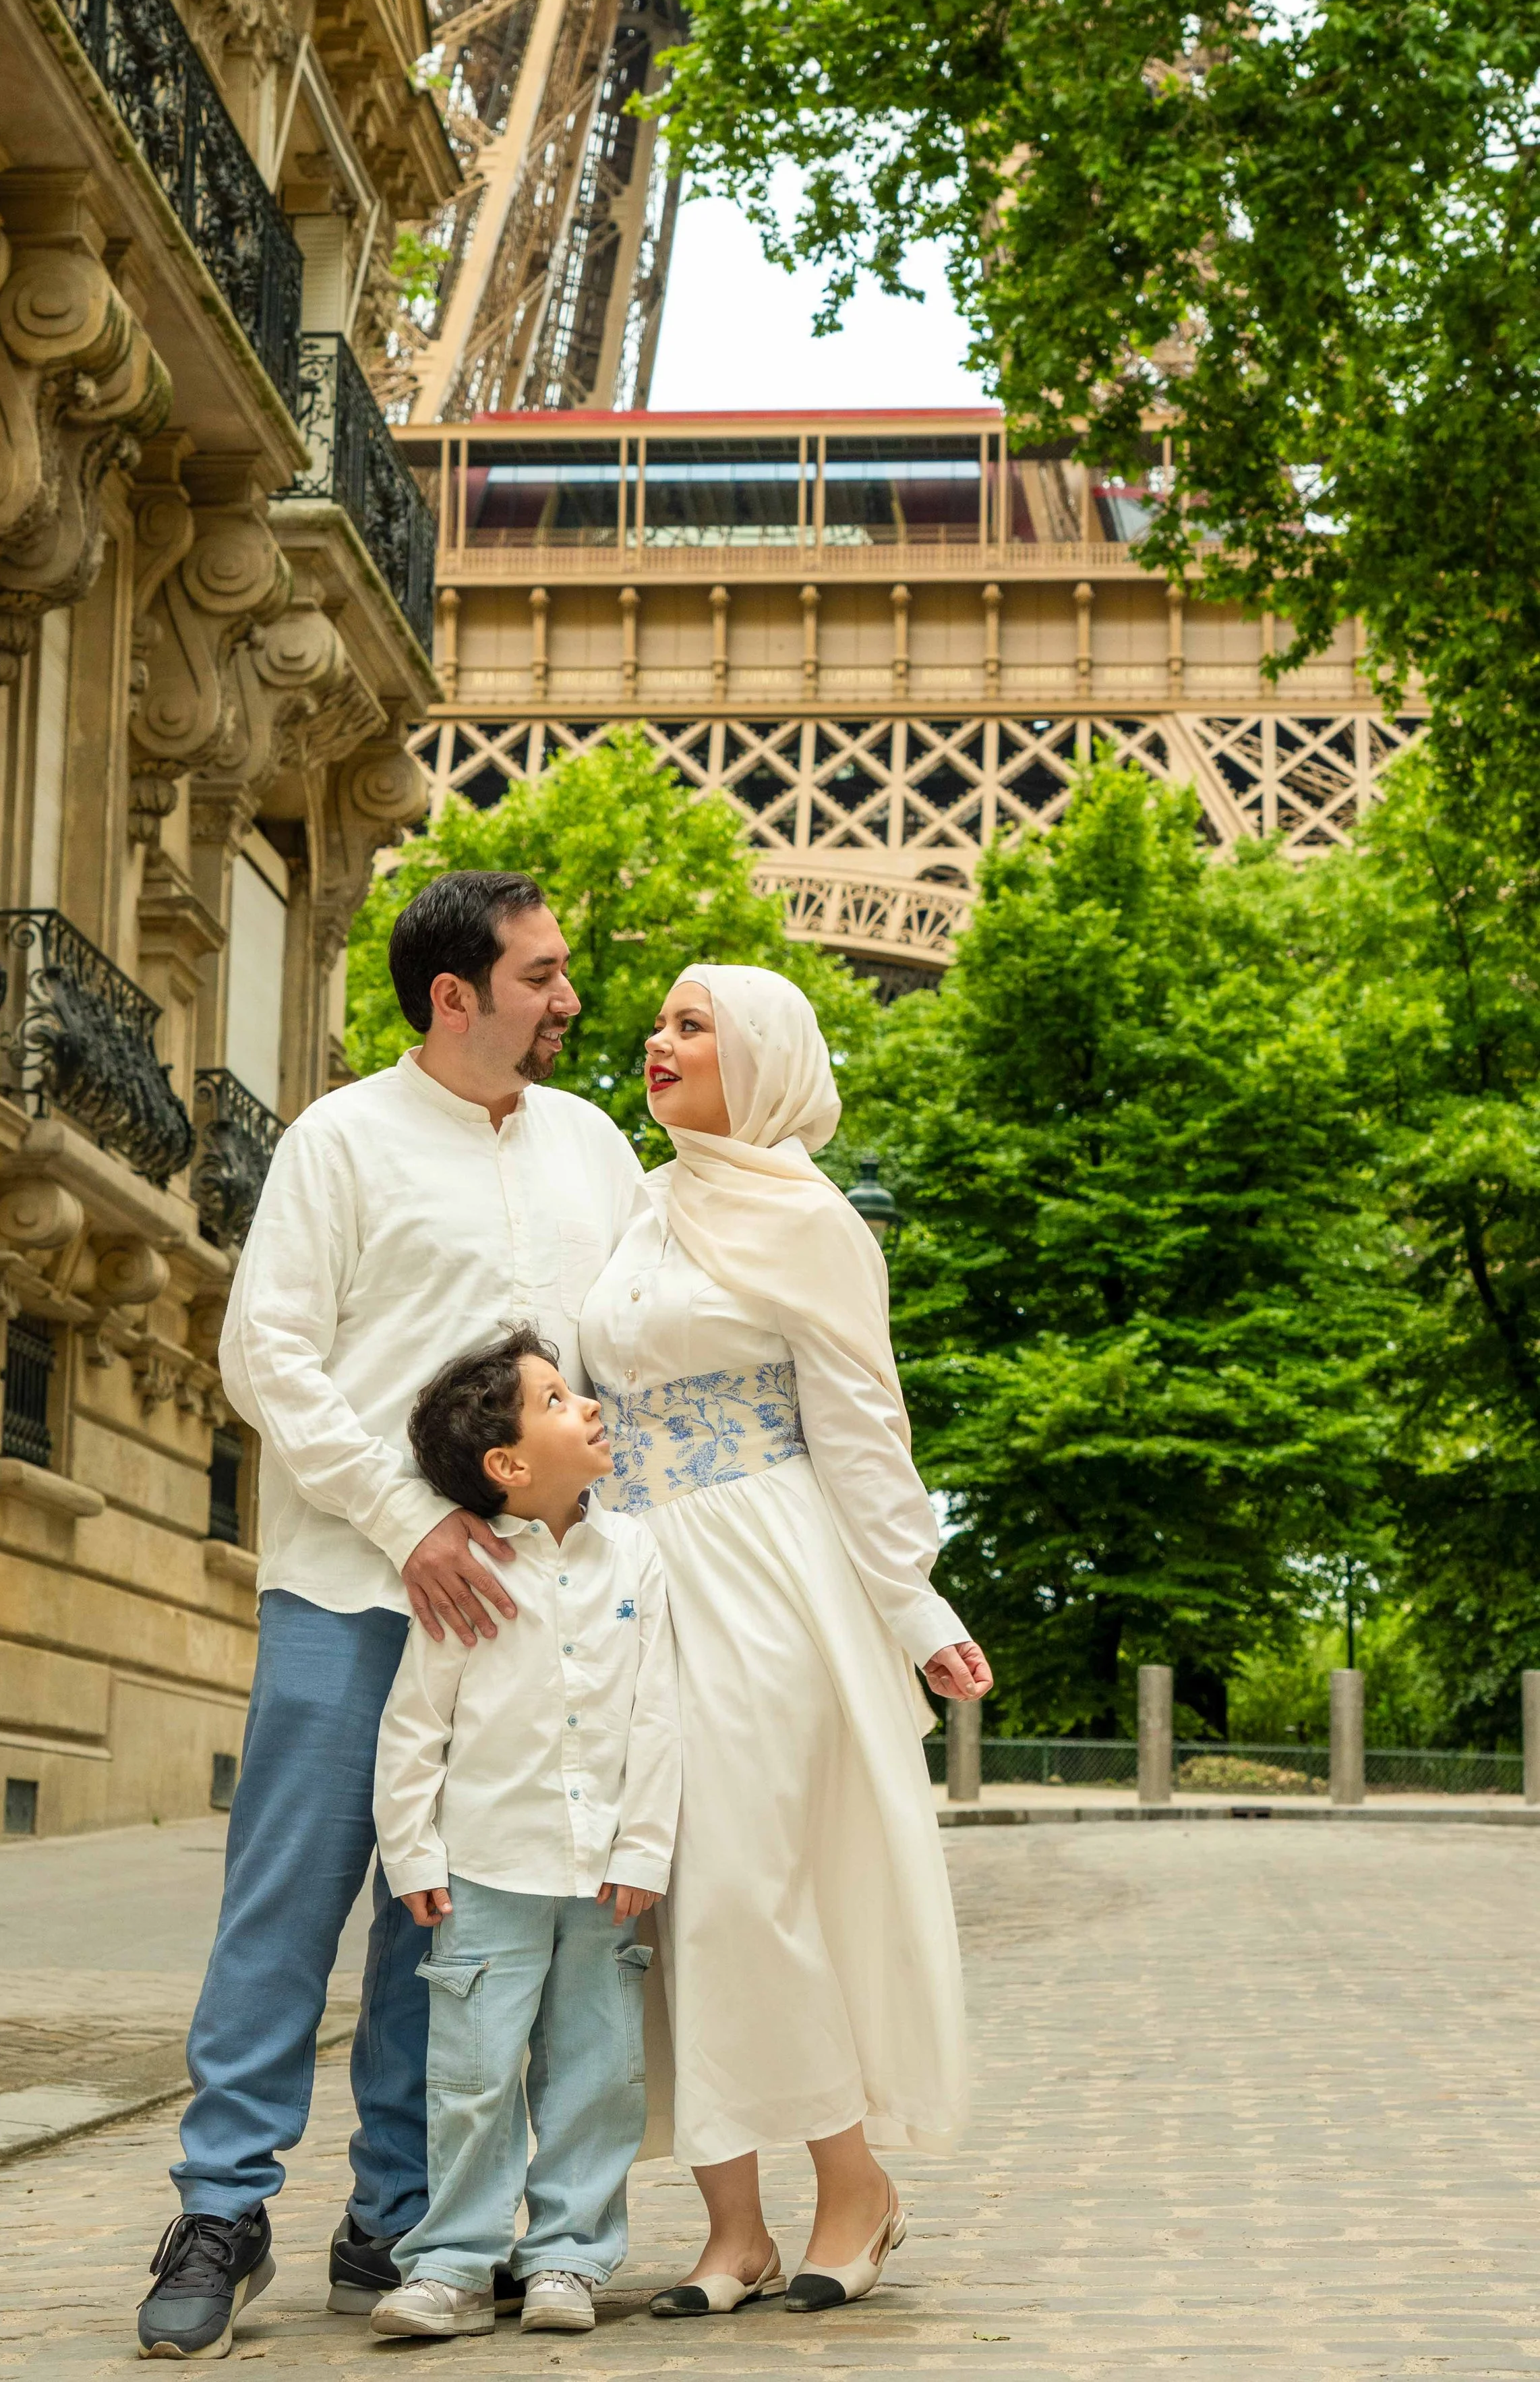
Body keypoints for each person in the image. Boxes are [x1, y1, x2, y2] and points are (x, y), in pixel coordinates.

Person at [136, 873, 647, 2361]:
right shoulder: (341, 1139)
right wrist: (408, 1518)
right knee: (286, 1908)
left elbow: (622, 1369)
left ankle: (404, 2217)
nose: (566, 997)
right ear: (457, 997)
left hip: (518, 1614)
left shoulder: (596, 1150)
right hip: (351, 1588)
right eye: (542, 975)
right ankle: (222, 2209)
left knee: (452, 1925)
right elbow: (266, 1355)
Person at [579, 963, 993, 2318]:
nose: (659, 1040)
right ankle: (732, 2227)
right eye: (659, 1021)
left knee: (753, 1877)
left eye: (692, 1026)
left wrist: (913, 1605)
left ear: (761, 1059)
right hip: (635, 1575)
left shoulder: (812, 1222)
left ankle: (853, 2185)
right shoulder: (639, 1209)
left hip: (762, 1568)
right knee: (669, 1886)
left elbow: (863, 1426)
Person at [368, 1327, 680, 2343]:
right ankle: (454, 2260)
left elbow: (657, 1712)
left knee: (597, 2069)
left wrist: (645, 1845)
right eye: (558, 1399)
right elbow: (417, 1723)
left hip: (604, 1878)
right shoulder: (468, 1569)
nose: (587, 1405)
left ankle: (567, 2257)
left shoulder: (635, 1551)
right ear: (507, 1464)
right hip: (486, 1867)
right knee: (472, 2072)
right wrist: (413, 1851)